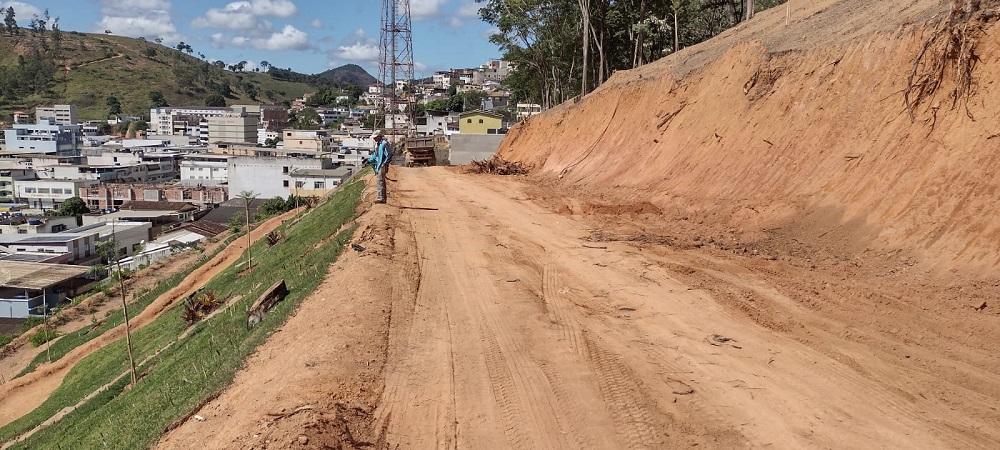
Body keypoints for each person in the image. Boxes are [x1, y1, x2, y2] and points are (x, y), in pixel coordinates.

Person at [367, 129, 391, 203]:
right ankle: (383, 197)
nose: (374, 138)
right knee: (381, 181)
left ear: (379, 136)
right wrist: (369, 160)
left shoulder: (384, 144)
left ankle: (380, 198)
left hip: (382, 165)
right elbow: (375, 155)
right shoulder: (377, 145)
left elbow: (389, 154)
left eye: (375, 137)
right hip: (379, 165)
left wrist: (385, 163)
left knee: (380, 181)